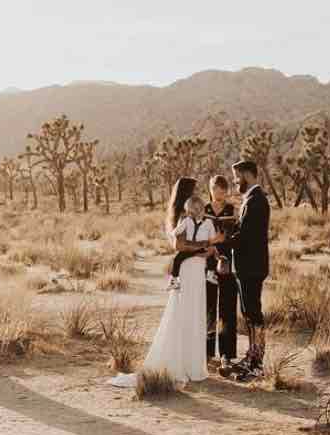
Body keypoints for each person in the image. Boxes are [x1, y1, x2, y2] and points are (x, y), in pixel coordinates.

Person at [109, 177, 224, 387]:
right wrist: (203, 246)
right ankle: (182, 363)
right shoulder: (182, 217)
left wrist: (207, 250)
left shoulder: (199, 220)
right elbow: (179, 246)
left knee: (194, 313)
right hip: (188, 272)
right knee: (184, 312)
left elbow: (206, 248)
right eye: (193, 191)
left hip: (197, 272)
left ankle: (192, 365)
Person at [227, 159, 270, 381]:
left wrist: (222, 241)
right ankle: (252, 357)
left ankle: (256, 363)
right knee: (249, 313)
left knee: (253, 313)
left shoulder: (257, 201)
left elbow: (247, 236)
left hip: (252, 266)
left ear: (248, 174)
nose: (235, 181)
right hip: (247, 266)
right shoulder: (251, 199)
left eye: (238, 176)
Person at [204, 175, 239, 376]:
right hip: (205, 263)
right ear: (210, 189)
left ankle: (226, 355)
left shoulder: (232, 211)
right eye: (216, 189)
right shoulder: (203, 210)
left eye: (223, 190)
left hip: (226, 263)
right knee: (207, 307)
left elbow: (237, 236)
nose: (220, 193)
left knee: (227, 309)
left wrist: (226, 245)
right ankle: (206, 352)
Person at [166, 194, 210, 290]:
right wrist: (175, 234)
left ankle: (210, 273)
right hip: (189, 247)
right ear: (189, 211)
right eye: (195, 209)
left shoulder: (205, 221)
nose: (198, 212)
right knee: (177, 258)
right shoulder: (186, 221)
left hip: (199, 246)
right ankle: (174, 279)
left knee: (209, 252)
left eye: (201, 209)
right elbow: (176, 231)